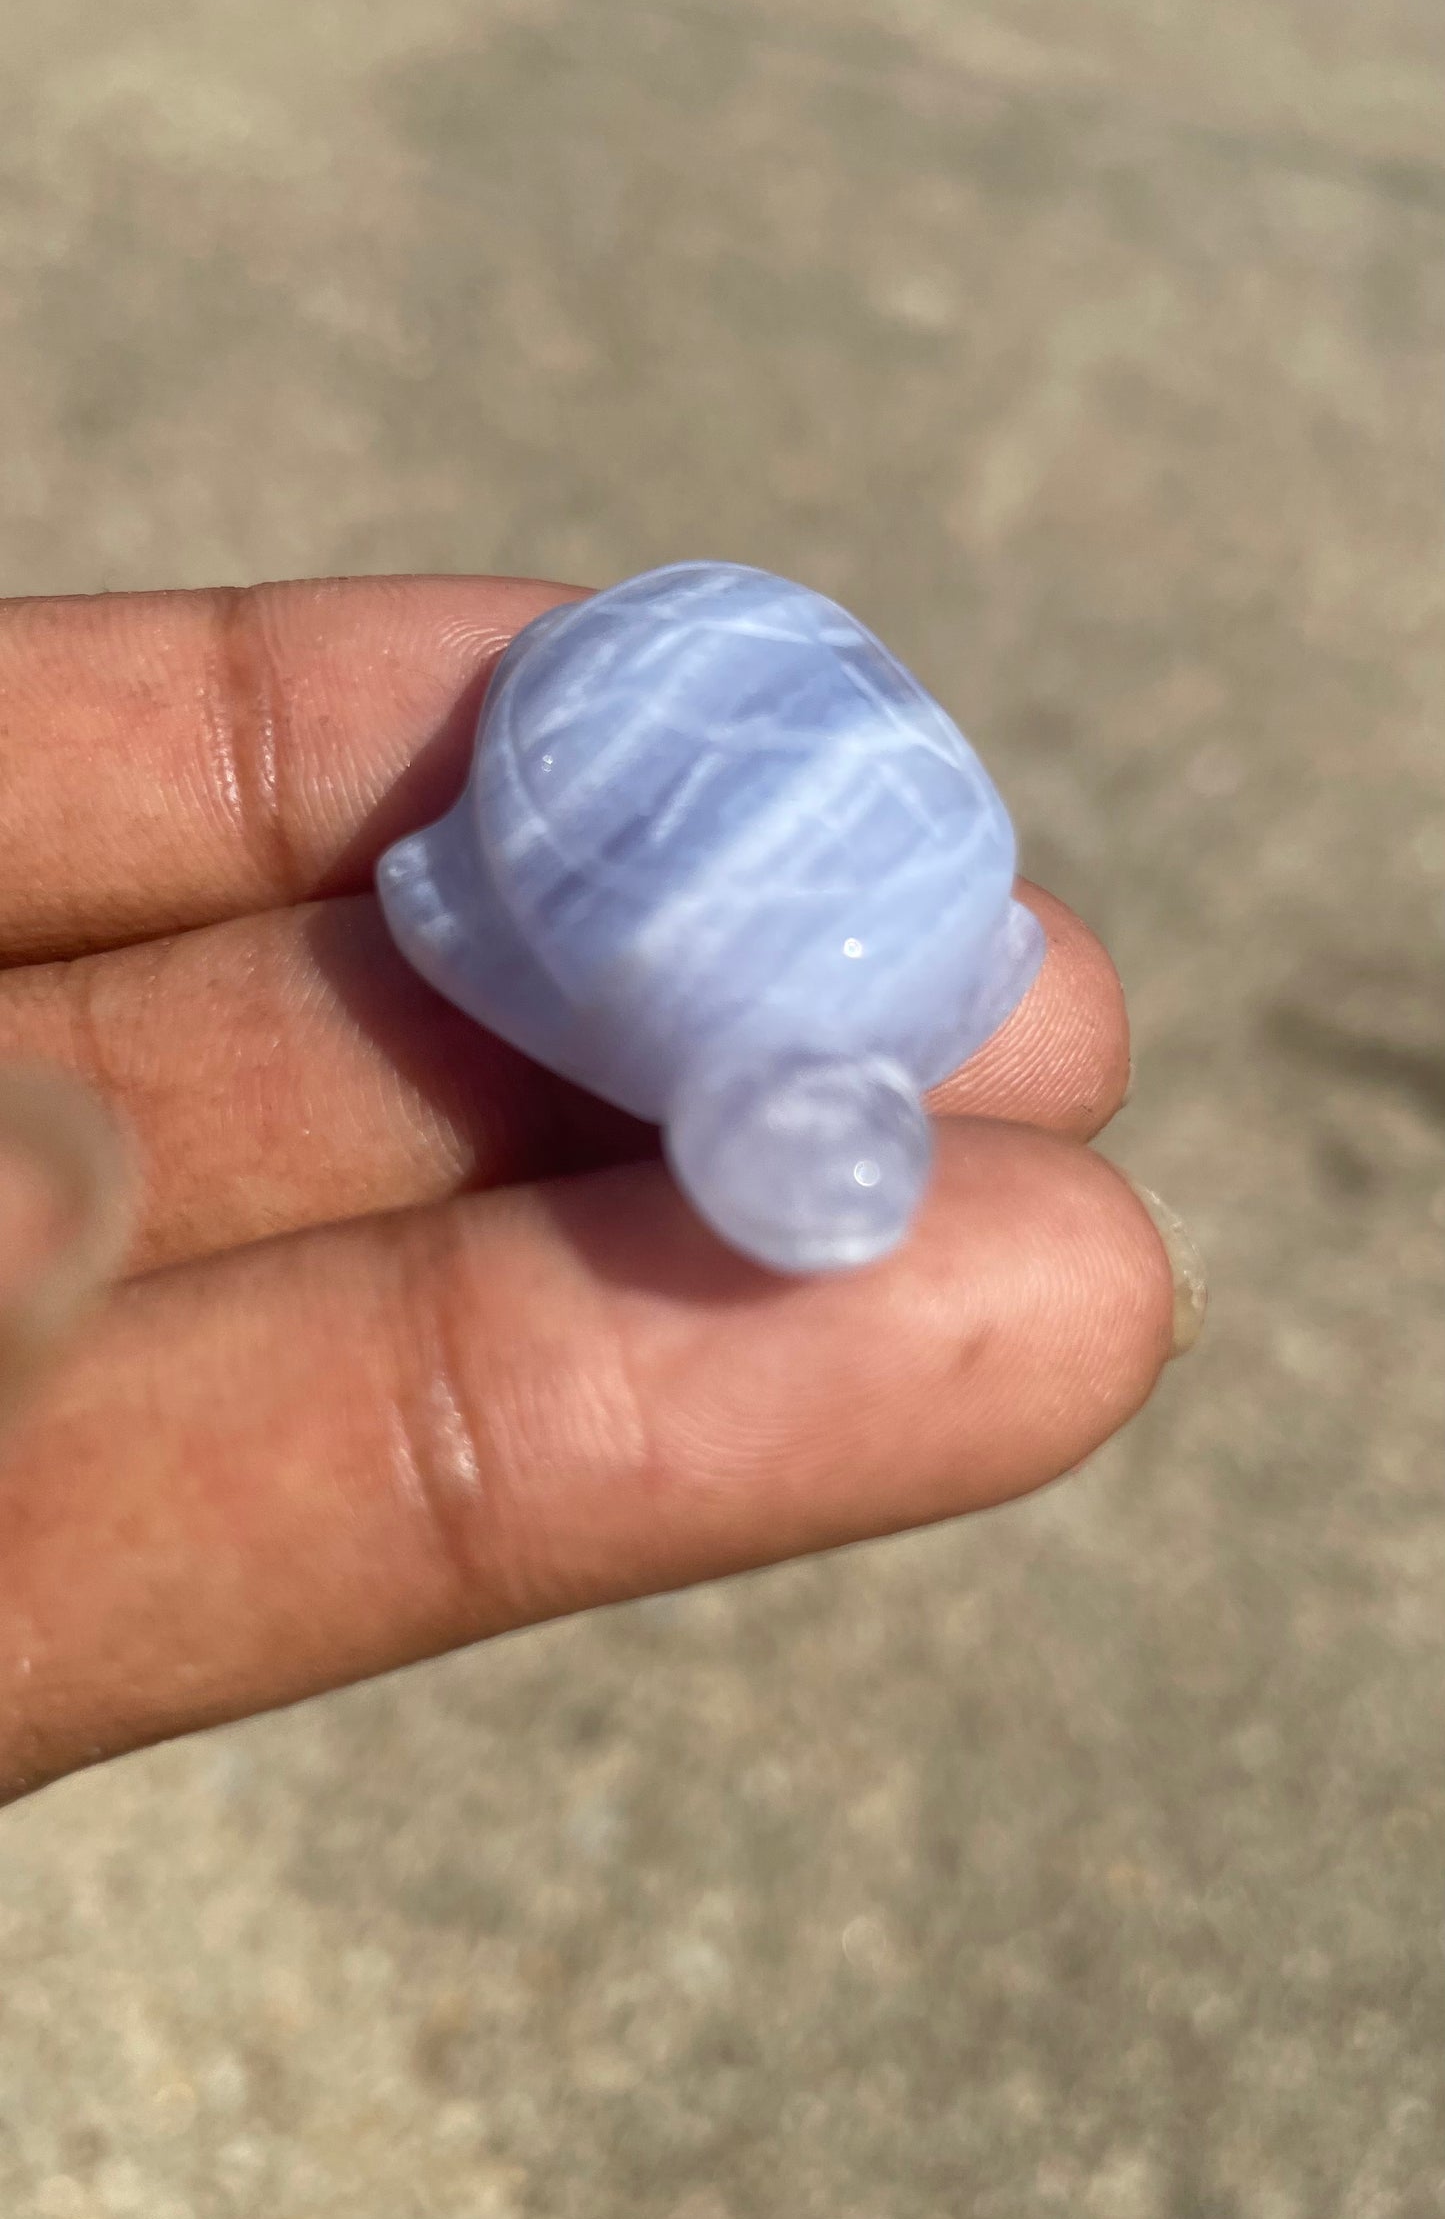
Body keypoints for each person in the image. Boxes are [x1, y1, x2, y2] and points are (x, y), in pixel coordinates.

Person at [0, 573, 1204, 1804]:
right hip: (654, 721)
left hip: (677, 704)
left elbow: (461, 913)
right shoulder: (916, 944)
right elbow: (456, 909)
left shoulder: (926, 946)